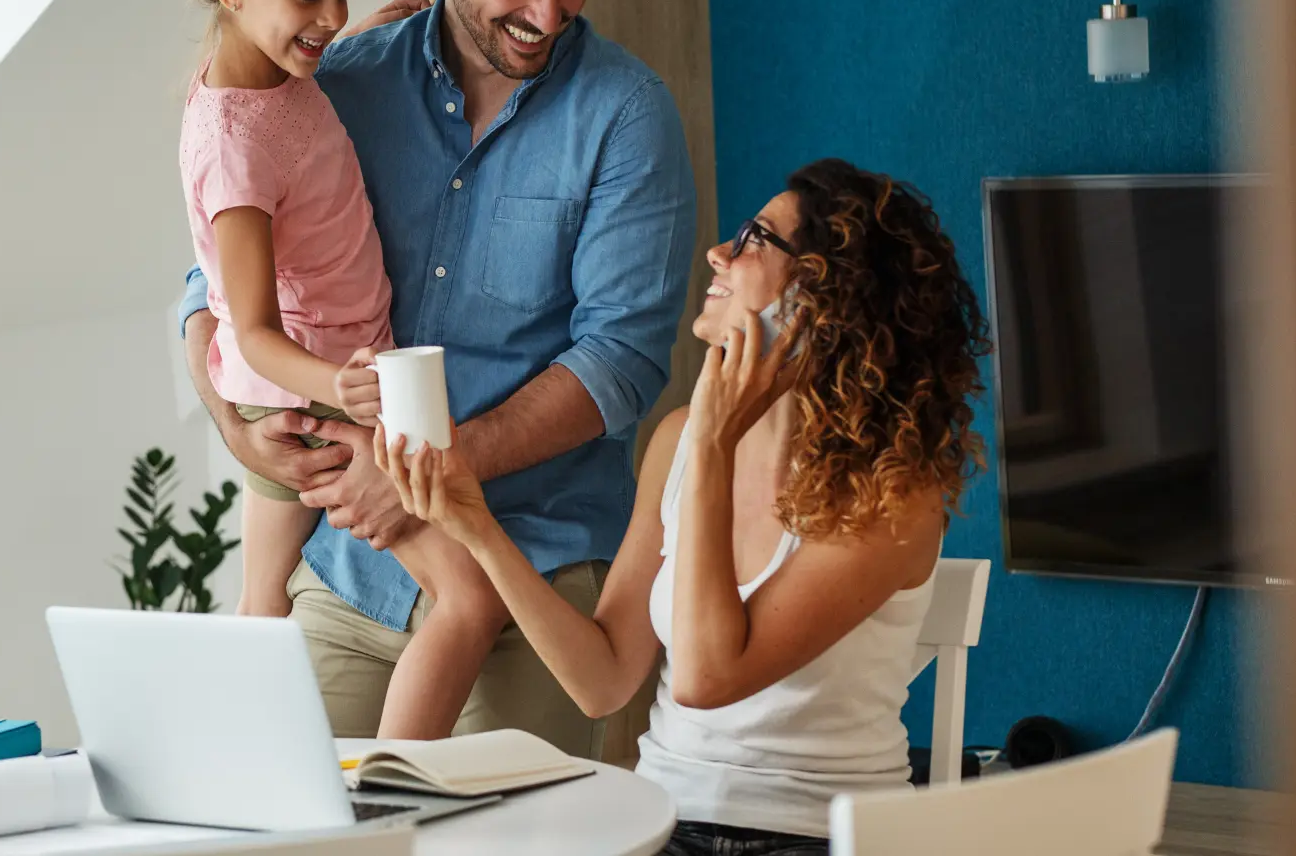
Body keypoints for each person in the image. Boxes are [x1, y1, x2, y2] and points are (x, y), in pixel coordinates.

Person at [179, 0, 697, 755]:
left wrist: (433, 468)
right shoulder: (341, 80)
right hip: (353, 568)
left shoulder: (628, 118)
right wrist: (239, 431)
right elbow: (214, 277)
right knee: (260, 804)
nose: (548, 15)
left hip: (532, 569)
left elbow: (620, 365)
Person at [378, 159, 993, 854]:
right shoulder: (680, 441)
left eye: (756, 239)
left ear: (826, 297)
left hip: (818, 837)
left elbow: (706, 678)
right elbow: (603, 680)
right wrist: (478, 529)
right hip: (662, 823)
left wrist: (714, 440)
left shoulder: (890, 492)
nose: (719, 253)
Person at [177, 0, 507, 740]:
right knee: (466, 602)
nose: (327, 16)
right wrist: (342, 394)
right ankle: (388, 806)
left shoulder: (267, 77)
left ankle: (247, 781)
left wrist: (356, 37)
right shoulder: (234, 151)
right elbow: (243, 328)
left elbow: (290, 125)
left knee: (264, 606)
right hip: (309, 392)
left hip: (318, 379)